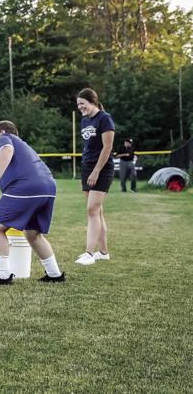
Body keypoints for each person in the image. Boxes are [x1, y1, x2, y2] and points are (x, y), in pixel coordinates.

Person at [0, 121, 65, 285]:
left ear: (2, 132)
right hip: (48, 187)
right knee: (32, 233)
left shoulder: (4, 138)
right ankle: (54, 274)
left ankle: (3, 275)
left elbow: (7, 150)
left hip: (26, 187)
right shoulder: (23, 144)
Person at [75, 88, 115, 266]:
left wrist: (96, 170)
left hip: (102, 168)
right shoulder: (84, 120)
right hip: (87, 167)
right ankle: (103, 252)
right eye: (78, 105)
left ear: (92, 102)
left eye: (82, 104)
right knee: (97, 211)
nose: (80, 107)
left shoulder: (105, 119)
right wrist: (87, 170)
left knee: (92, 210)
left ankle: (89, 253)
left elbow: (107, 148)